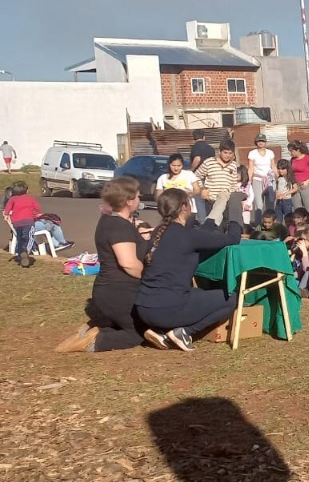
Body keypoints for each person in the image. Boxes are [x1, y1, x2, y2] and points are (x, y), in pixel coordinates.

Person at [134, 188, 246, 352]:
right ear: (185, 207)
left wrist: (220, 205)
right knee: (233, 298)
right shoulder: (189, 236)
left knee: (198, 293)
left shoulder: (159, 232)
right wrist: (235, 205)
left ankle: (162, 332)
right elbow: (233, 238)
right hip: (167, 309)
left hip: (144, 307)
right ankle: (184, 332)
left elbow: (204, 233)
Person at [54, 177, 149, 353]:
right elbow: (128, 263)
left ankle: (94, 328)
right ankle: (95, 342)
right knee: (141, 332)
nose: (139, 199)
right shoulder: (119, 226)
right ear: (128, 201)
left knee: (133, 324)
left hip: (109, 291)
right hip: (120, 291)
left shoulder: (108, 220)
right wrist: (150, 278)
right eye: (137, 196)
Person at [3, 181, 40, 267]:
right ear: (26, 191)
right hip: (28, 222)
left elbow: (7, 209)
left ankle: (20, 255)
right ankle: (25, 251)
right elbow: (38, 208)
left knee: (20, 238)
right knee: (29, 237)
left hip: (16, 223)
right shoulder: (30, 198)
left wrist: (7, 215)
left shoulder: (12, 199)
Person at [286, 141, 309, 216]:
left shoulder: (307, 158)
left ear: (298, 150)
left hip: (306, 185)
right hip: (295, 186)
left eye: (292, 151)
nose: (290, 153)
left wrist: (307, 181)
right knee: (297, 210)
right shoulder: (293, 160)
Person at [246, 134, 276, 224]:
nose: (261, 143)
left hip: (269, 179)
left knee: (270, 203)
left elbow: (273, 165)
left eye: (262, 141)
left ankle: (271, 223)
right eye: (259, 141)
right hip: (257, 179)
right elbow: (251, 168)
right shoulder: (252, 153)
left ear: (265, 142)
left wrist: (278, 176)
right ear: (256, 142)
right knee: (259, 204)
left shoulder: (270, 152)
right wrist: (249, 181)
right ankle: (258, 224)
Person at [188, 129, 215, 221]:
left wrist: (191, 170)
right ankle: (211, 218)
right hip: (210, 175)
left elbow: (197, 159)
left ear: (194, 137)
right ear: (204, 137)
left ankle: (202, 220)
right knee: (209, 198)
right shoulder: (211, 148)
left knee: (199, 198)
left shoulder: (195, 147)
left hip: (198, 176)